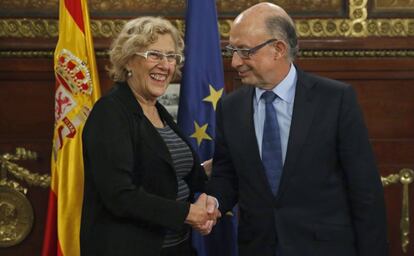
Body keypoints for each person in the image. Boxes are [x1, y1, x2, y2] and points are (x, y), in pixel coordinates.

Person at [207, 2, 388, 256]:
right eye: (232, 50)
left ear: (278, 49)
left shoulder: (335, 100)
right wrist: (213, 202)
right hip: (259, 247)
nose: (235, 61)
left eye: (244, 51)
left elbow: (365, 192)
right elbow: (227, 175)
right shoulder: (230, 107)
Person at [80, 16, 219, 256]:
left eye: (171, 57)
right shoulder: (111, 112)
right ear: (129, 61)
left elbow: (177, 174)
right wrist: (187, 213)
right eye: (154, 55)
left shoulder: (158, 111)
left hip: (178, 247)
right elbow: (119, 195)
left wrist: (221, 166)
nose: (165, 65)